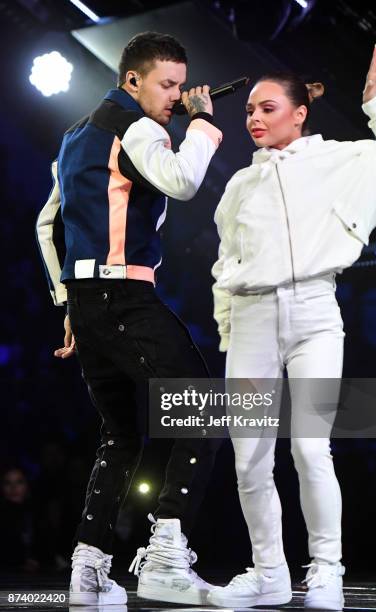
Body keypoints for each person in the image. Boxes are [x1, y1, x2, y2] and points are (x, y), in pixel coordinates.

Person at [36, 31, 223, 606]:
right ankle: (166, 552)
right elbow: (183, 181)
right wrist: (203, 125)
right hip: (124, 298)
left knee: (120, 436)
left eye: (179, 85)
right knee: (202, 406)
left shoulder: (72, 136)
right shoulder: (137, 127)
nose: (174, 95)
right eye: (166, 84)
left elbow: (47, 225)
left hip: (90, 302)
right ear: (132, 80)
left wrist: (68, 302)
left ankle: (88, 570)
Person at [209, 42, 376, 611]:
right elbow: (223, 267)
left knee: (312, 450)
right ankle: (268, 572)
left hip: (316, 314)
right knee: (249, 456)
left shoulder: (344, 161)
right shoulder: (239, 186)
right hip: (250, 324)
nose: (254, 119)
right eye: (249, 111)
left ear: (300, 112)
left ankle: (327, 571)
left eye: (267, 108)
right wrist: (227, 332)